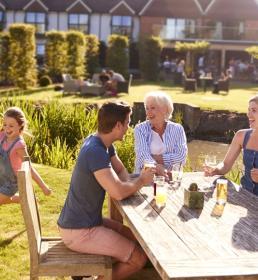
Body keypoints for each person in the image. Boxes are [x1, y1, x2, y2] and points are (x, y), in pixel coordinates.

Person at [58, 102, 155, 280]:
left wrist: (129, 186)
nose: (128, 127)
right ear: (117, 125)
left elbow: (120, 171)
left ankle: (93, 271)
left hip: (86, 222)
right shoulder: (95, 151)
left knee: (137, 238)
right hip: (80, 231)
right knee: (138, 258)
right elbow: (117, 193)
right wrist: (140, 181)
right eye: (127, 122)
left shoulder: (102, 143)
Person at [204, 95, 258, 196]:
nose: (249, 114)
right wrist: (215, 169)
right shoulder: (241, 136)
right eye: (249, 110)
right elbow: (225, 165)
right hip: (245, 196)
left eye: (254, 110)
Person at [0, 107, 51, 205]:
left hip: (11, 182)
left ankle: (23, 198)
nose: (7, 128)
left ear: (20, 126)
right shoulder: (2, 136)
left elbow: (29, 167)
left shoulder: (19, 145)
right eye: (5, 124)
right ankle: (22, 198)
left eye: (11, 126)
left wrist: (44, 188)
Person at [134, 91, 188, 176]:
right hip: (145, 180)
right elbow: (142, 157)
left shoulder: (178, 129)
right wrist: (157, 167)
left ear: (164, 109)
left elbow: (181, 157)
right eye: (147, 108)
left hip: (171, 179)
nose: (148, 112)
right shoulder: (140, 129)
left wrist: (154, 158)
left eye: (152, 108)